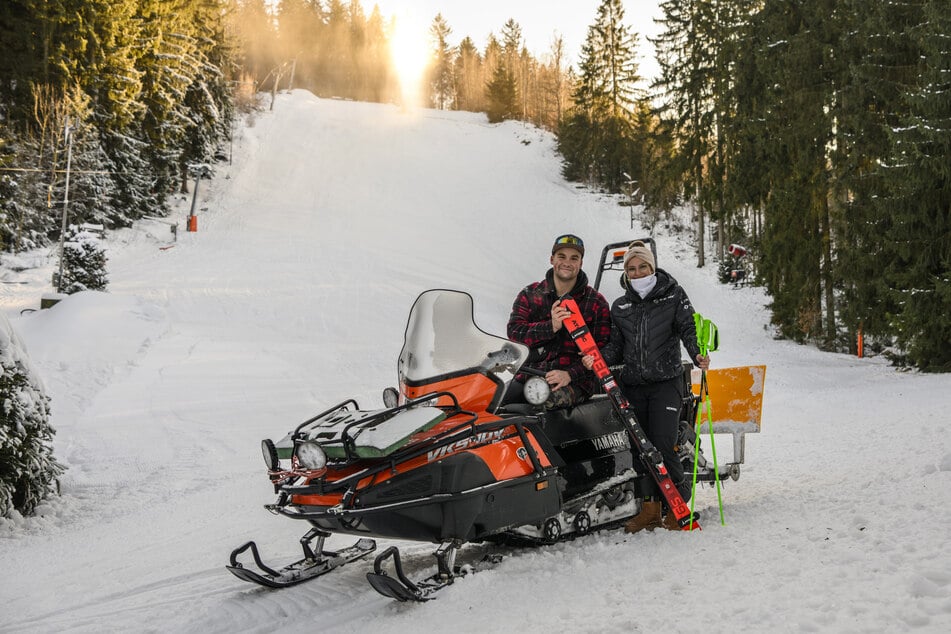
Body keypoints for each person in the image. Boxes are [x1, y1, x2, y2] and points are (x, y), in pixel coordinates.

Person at [582, 240, 710, 532]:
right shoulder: (621, 306)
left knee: (663, 444)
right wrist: (597, 358)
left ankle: (677, 505)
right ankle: (650, 509)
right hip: (634, 385)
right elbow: (615, 347)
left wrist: (698, 352)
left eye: (643, 267)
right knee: (640, 448)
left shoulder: (673, 295)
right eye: (632, 268)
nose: (638, 273)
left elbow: (689, 329)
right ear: (626, 274)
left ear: (652, 267)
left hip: (667, 382)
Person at [504, 233, 611, 409]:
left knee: (536, 408)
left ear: (581, 263)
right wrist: (550, 327)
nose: (567, 263)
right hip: (529, 377)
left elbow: (602, 351)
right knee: (492, 402)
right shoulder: (530, 294)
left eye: (574, 258)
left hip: (573, 382)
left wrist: (570, 374)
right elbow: (515, 334)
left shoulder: (596, 302)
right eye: (562, 256)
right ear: (552, 259)